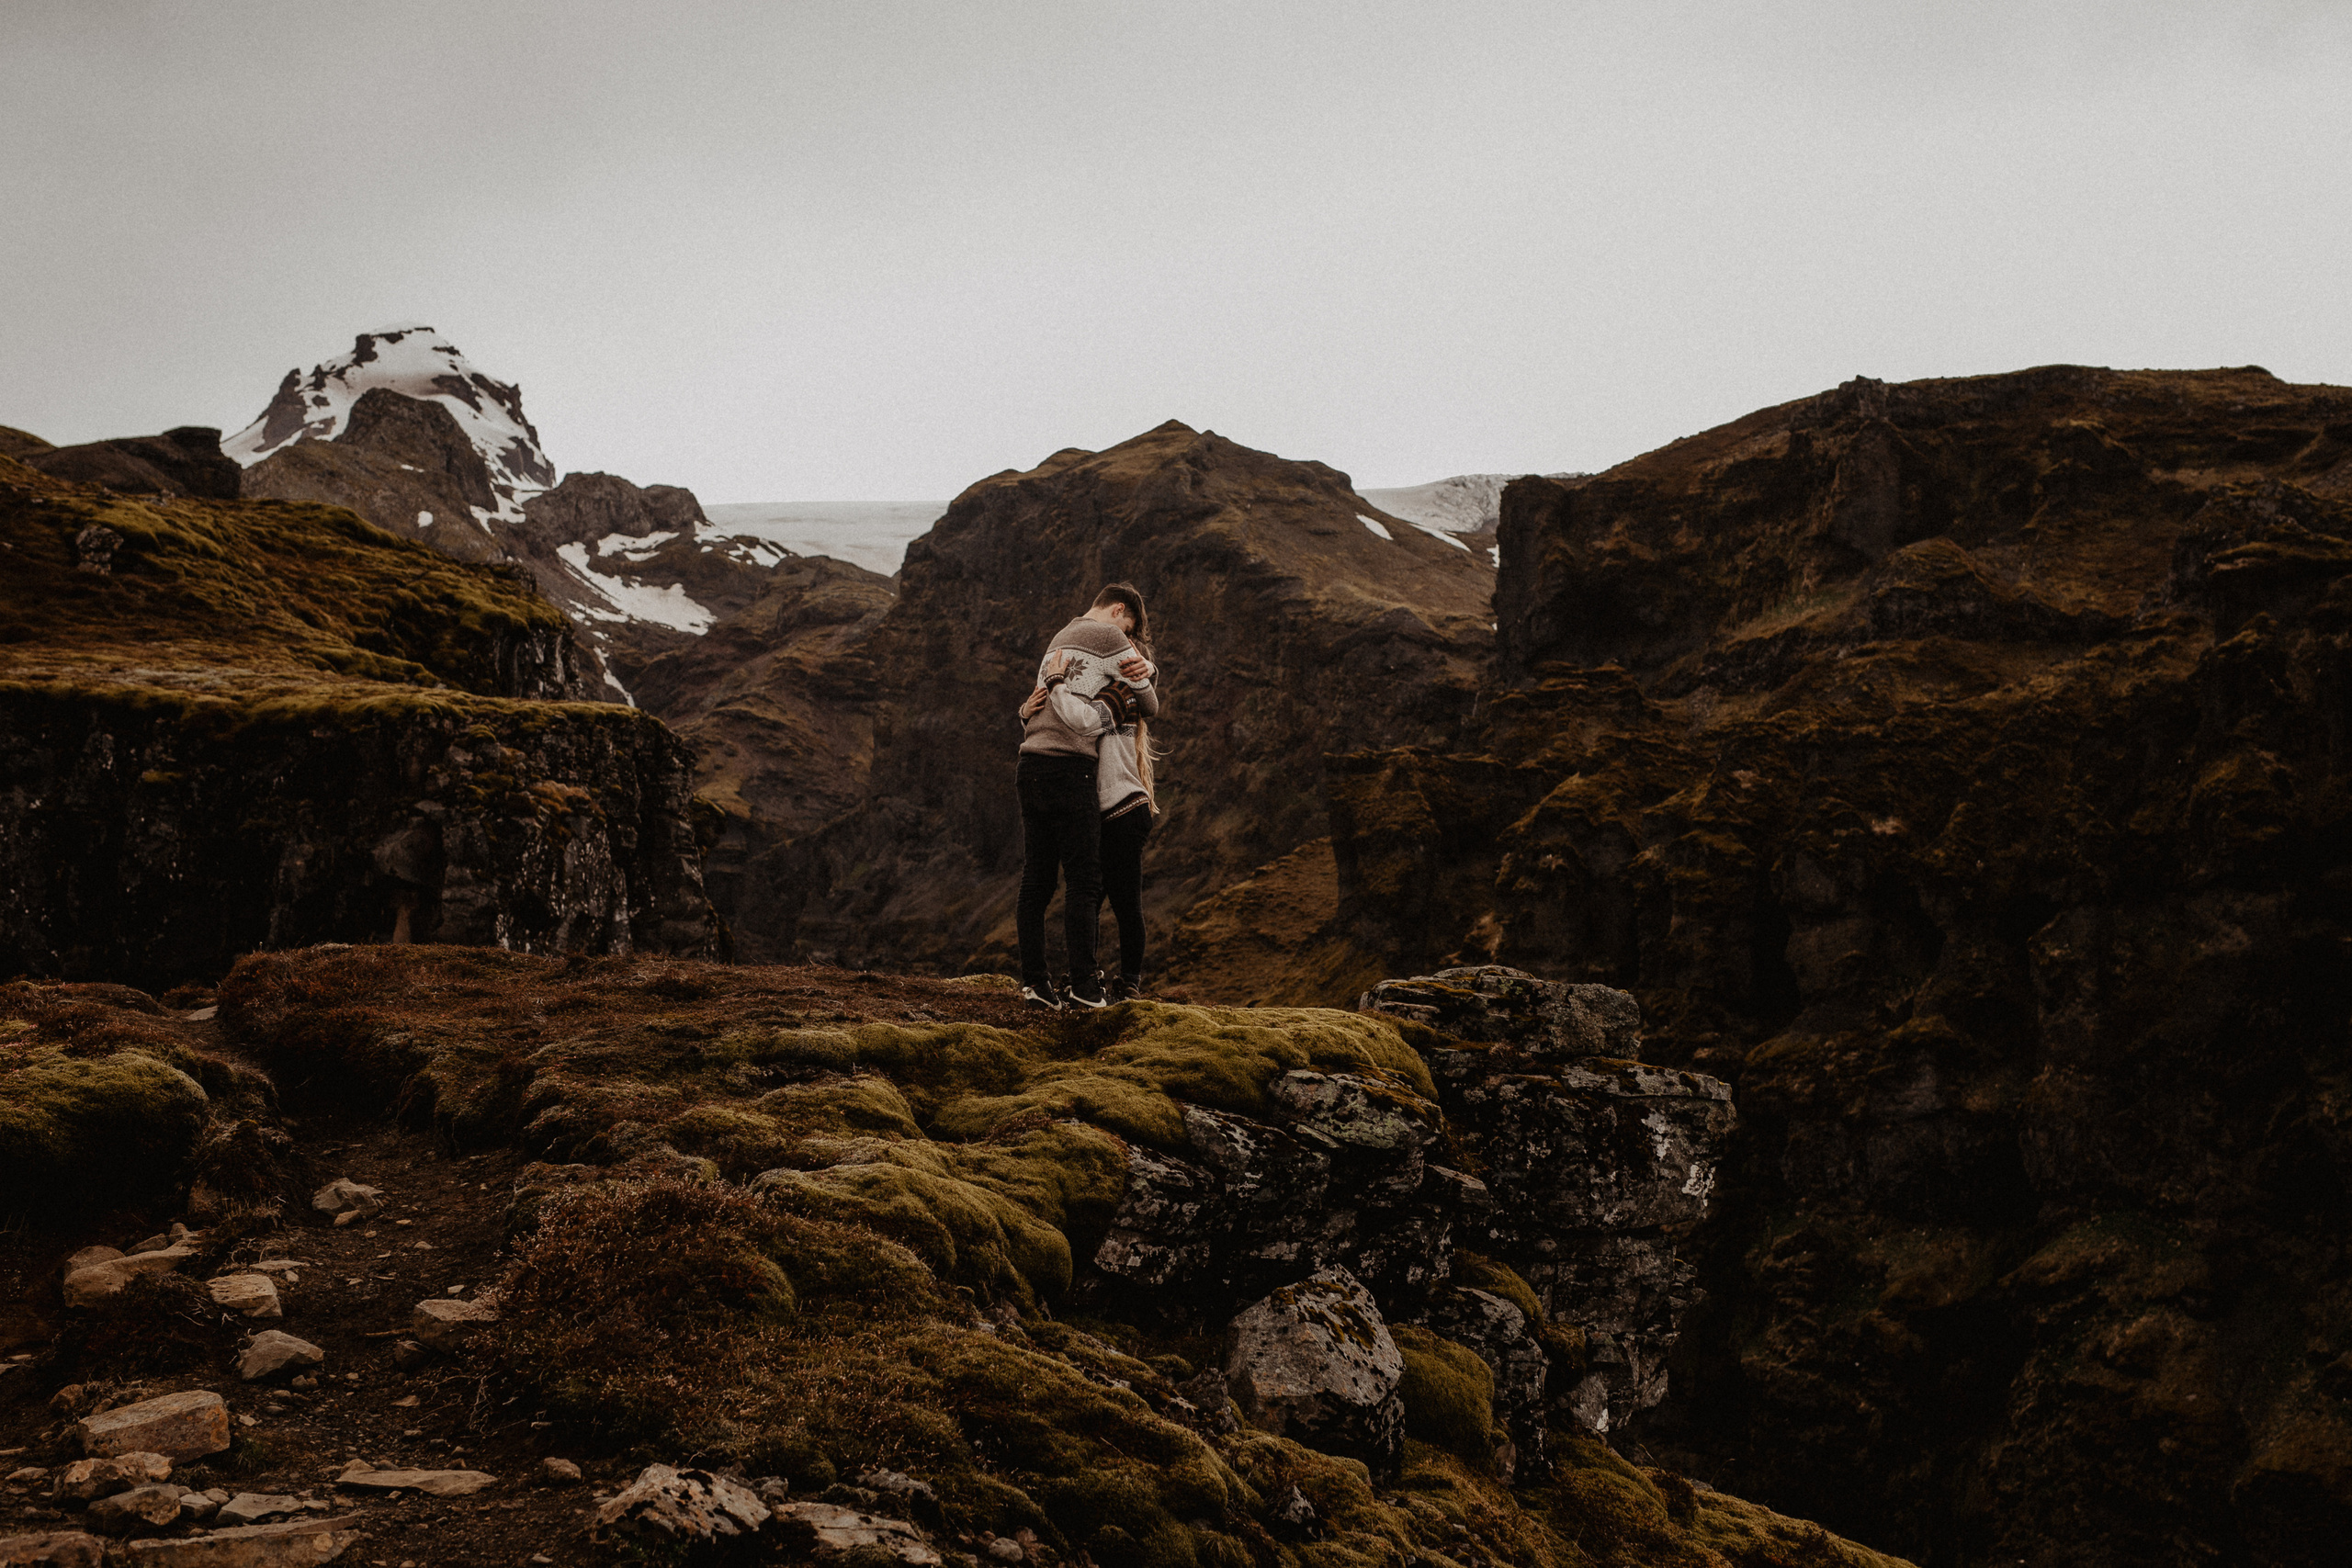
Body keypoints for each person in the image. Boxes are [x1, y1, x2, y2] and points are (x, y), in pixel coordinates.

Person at [1014, 583, 1158, 1009]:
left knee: (1035, 882)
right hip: (1070, 768)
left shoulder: (1056, 641)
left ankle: (1035, 986)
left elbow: (1034, 712)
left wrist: (1023, 711)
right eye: (1129, 629)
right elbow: (1149, 704)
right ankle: (1085, 988)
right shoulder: (1111, 638)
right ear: (1119, 612)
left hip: (1029, 764)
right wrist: (1145, 676)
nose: (1128, 642)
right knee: (1084, 882)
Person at [1092, 614, 1161, 1002]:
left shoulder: (1117, 696)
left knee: (1107, 899)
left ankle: (1119, 980)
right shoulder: (1129, 696)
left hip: (1117, 807)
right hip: (1127, 806)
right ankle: (1126, 981)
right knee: (1118, 900)